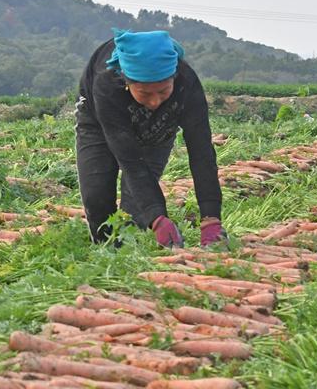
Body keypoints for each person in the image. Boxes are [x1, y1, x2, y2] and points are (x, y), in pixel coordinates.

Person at [75, 29, 226, 249]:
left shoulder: (187, 82)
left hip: (159, 128)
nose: (155, 101)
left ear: (173, 78)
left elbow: (201, 152)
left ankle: (129, 253)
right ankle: (105, 254)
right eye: (145, 93)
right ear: (127, 82)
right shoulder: (107, 83)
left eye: (163, 92)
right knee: (96, 195)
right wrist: (158, 217)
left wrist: (211, 217)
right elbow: (130, 162)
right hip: (99, 122)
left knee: (134, 209)